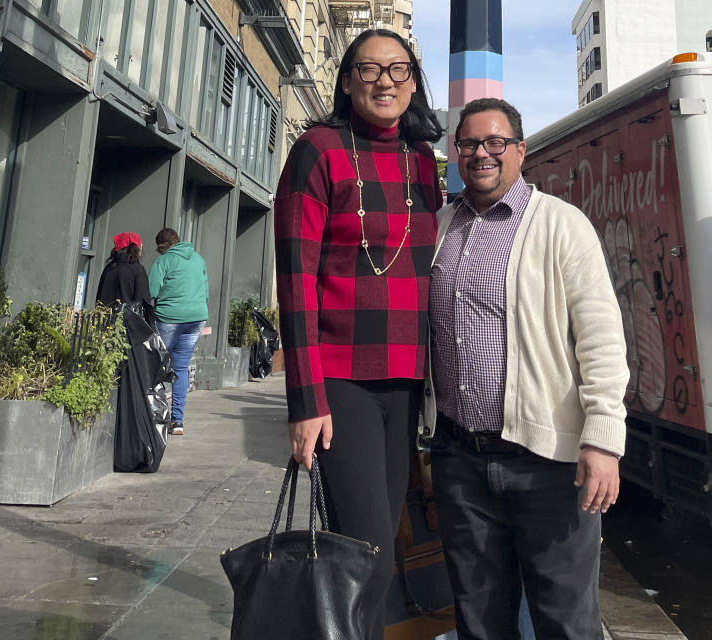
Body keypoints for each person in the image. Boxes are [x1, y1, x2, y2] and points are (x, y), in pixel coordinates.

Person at [424, 98, 629, 640]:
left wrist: (604, 440)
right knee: (479, 621)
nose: (482, 154)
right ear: (456, 153)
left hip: (550, 465)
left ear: (520, 150)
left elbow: (603, 339)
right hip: (461, 460)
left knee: (565, 622)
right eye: (469, 144)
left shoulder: (562, 225)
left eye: (495, 143)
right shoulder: (440, 226)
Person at [273, 28, 443, 640]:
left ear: (414, 83)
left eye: (398, 70)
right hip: (342, 376)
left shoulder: (422, 159)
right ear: (347, 81)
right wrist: (306, 399)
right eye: (369, 70)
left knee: (385, 550)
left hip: (407, 379)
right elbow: (295, 280)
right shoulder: (318, 150)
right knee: (365, 547)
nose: (384, 82)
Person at [148, 228, 209, 437]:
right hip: (197, 317)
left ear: (161, 245)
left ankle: (154, 414)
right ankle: (177, 421)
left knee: (155, 364)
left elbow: (152, 291)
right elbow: (206, 290)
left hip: (170, 317)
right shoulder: (198, 259)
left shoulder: (164, 261)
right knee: (181, 368)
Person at [95, 232, 151, 310]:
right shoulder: (138, 269)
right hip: (126, 319)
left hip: (105, 318)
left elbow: (100, 297)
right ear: (136, 249)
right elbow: (143, 301)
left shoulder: (109, 267)